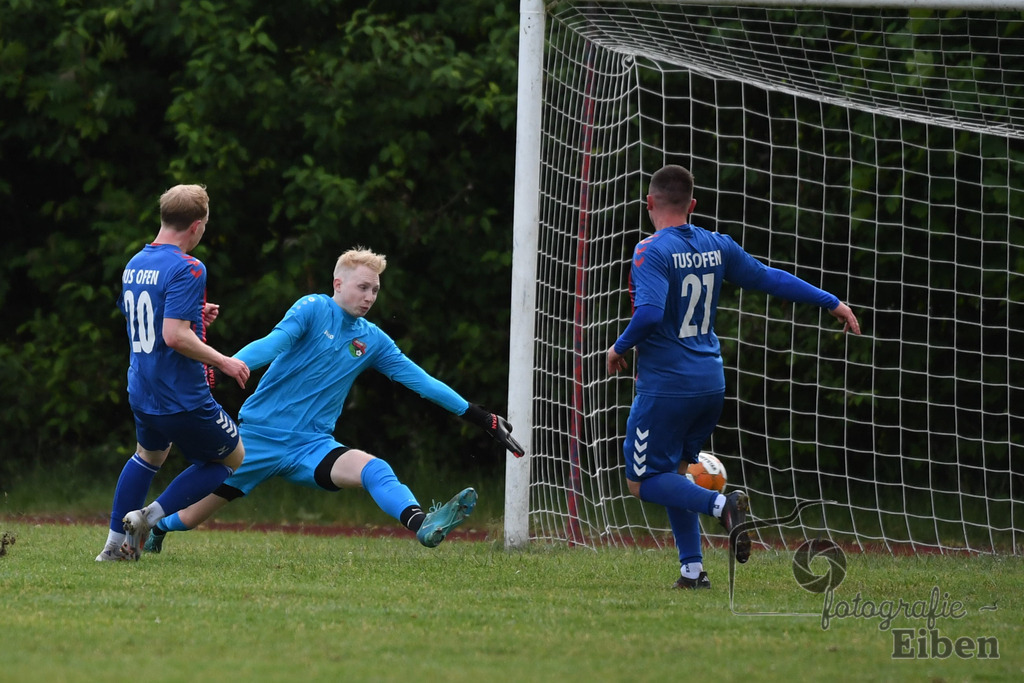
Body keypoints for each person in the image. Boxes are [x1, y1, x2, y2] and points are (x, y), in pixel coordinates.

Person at [143, 247, 523, 553]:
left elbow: (422, 382)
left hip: (313, 446)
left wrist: (484, 418)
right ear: (337, 284)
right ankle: (156, 527)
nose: (370, 297)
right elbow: (274, 344)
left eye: (375, 290)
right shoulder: (313, 308)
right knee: (190, 518)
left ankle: (423, 525)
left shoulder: (374, 340)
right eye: (362, 287)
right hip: (256, 440)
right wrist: (231, 363)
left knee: (374, 469)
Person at [606, 165, 860, 589]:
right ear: (693, 205)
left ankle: (722, 503)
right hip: (710, 382)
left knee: (643, 481)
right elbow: (768, 278)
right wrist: (830, 300)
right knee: (674, 473)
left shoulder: (650, 251)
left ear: (649, 203)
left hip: (667, 386)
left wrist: (618, 347)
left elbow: (648, 314)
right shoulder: (717, 244)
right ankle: (692, 571)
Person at [96, 184, 249, 561]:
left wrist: (196, 314)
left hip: (142, 388)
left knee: (147, 457)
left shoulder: (136, 262)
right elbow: (173, 335)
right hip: (181, 394)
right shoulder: (189, 266)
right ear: (197, 226)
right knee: (231, 459)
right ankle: (149, 517)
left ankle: (113, 548)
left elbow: (146, 318)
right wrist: (222, 361)